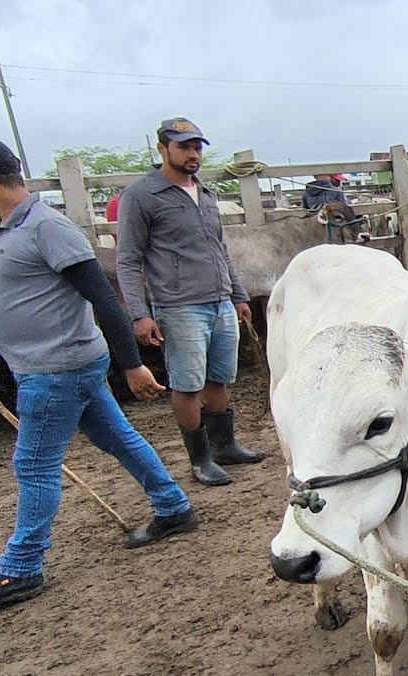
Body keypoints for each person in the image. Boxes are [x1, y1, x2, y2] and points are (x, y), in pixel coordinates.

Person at [0, 138, 199, 612]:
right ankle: (172, 506)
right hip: (56, 366)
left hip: (55, 370)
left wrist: (131, 364)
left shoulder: (47, 227)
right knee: (118, 438)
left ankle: (21, 568)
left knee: (33, 465)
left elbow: (105, 299)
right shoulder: (11, 229)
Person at [117, 117, 266, 487]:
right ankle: (200, 459)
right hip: (179, 304)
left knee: (220, 377)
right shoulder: (141, 196)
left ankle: (224, 446)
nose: (192, 154)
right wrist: (139, 314)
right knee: (187, 383)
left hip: (219, 301)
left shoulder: (206, 193)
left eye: (197, 147)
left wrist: (237, 293)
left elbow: (220, 249)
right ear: (162, 149)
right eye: (183, 147)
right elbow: (128, 259)